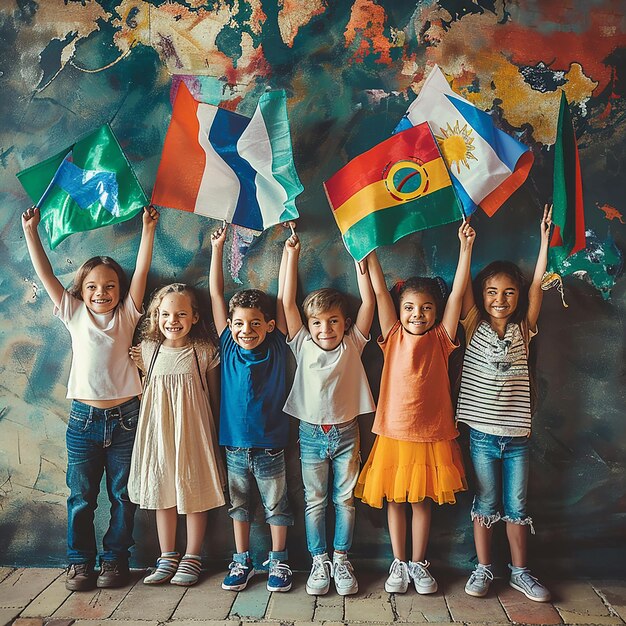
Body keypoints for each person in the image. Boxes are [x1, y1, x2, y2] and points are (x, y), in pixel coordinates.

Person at [21, 204, 159, 591]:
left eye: (110, 286)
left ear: (120, 290)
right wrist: (32, 232)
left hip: (127, 418)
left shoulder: (129, 313)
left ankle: (115, 560)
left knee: (123, 495)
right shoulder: (72, 312)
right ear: (81, 289)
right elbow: (45, 274)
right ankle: (80, 563)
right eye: (93, 287)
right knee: (81, 497)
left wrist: (148, 229)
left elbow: (143, 271)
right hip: (83, 420)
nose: (102, 293)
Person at [356, 221, 475, 594]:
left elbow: (457, 295)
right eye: (409, 307)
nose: (416, 314)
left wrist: (466, 248)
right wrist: (369, 252)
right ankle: (398, 563)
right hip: (393, 433)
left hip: (432, 436)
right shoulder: (391, 335)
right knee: (395, 500)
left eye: (425, 308)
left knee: (422, 502)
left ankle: (419, 564)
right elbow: (379, 291)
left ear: (436, 313)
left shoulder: (442, 338)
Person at [458, 205, 553, 603]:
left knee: (516, 505)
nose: (501, 299)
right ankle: (483, 568)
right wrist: (466, 247)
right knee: (486, 502)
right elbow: (461, 289)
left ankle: (520, 572)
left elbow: (536, 288)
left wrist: (545, 240)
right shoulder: (471, 322)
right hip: (481, 435)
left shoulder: (524, 329)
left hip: (517, 436)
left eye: (508, 292)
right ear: (483, 295)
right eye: (493, 292)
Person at [280, 228, 375, 596]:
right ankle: (319, 560)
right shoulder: (302, 342)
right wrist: (291, 254)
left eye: (333, 321)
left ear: (345, 323)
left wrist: (358, 257)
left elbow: (367, 303)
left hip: (347, 432)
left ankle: (341, 558)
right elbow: (289, 303)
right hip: (310, 433)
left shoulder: (353, 342)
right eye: (318, 322)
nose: (325, 328)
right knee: (315, 499)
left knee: (345, 499)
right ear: (308, 325)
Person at [209, 224, 293, 593]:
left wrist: (290, 253)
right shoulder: (227, 342)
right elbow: (215, 292)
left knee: (277, 506)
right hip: (234, 447)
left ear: (270, 325)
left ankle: (279, 561)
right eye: (240, 323)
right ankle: (241, 559)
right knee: (239, 507)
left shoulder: (277, 345)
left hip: (272, 445)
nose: (247, 330)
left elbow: (288, 298)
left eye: (255, 323)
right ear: (229, 325)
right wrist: (218, 248)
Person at [128, 283, 225, 586]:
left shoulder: (203, 352)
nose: (173, 320)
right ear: (156, 317)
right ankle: (167, 555)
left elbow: (215, 397)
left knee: (194, 492)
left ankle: (192, 556)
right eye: (166, 314)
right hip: (158, 434)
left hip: (194, 433)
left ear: (195, 317)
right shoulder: (147, 350)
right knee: (162, 492)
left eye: (181, 313)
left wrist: (215, 436)